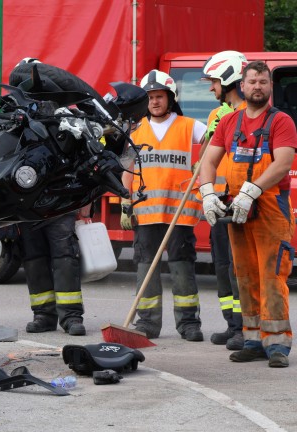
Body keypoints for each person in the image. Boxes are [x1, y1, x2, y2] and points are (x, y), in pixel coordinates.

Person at [200, 60, 296, 368]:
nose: (257, 86)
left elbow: (282, 164)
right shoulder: (230, 122)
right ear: (242, 86)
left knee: (272, 275)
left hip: (269, 206)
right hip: (238, 209)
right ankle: (253, 339)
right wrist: (207, 192)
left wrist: (251, 191)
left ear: (270, 86)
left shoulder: (281, 121)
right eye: (252, 81)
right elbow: (209, 161)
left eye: (263, 82)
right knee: (245, 275)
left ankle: (278, 344)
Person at [121, 70, 207, 341]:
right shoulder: (135, 131)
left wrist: (202, 161)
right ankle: (148, 323)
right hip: (146, 212)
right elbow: (127, 168)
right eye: (149, 97)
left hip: (180, 211)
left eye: (159, 96)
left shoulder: (190, 126)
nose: (154, 102)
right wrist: (125, 201)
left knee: (182, 267)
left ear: (170, 98)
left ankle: (189, 323)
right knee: (146, 267)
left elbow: (213, 142)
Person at [199, 51, 248, 350]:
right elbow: (208, 157)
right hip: (221, 199)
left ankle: (245, 328)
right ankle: (232, 326)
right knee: (221, 266)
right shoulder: (218, 114)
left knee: (238, 268)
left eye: (214, 82)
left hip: (241, 199)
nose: (211, 88)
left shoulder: (249, 114)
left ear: (229, 79)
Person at [18, 213, 86, 336]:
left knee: (66, 258)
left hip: (61, 204)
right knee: (34, 260)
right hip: (27, 209)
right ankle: (44, 315)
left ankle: (71, 316)